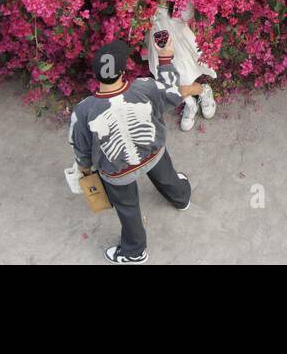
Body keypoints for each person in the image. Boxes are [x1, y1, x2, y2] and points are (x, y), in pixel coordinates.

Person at [68, 37, 202, 264]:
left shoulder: (83, 111)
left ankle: (134, 251)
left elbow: (81, 149)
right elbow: (171, 93)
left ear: (96, 75)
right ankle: (181, 198)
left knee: (128, 210)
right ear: (122, 72)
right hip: (153, 154)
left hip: (118, 174)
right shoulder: (144, 87)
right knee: (168, 176)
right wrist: (165, 57)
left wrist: (84, 170)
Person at [145, 0, 217, 131]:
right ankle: (190, 102)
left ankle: (203, 91)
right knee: (169, 84)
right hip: (160, 47)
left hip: (179, 46)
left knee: (181, 83)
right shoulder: (144, 0)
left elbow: (188, 15)